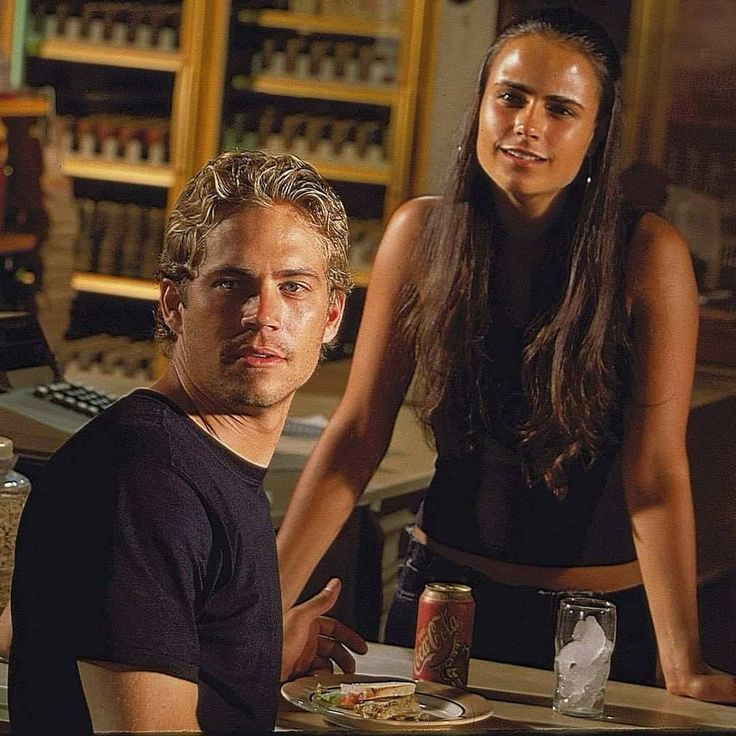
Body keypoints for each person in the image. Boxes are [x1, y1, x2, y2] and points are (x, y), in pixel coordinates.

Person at [277, 8, 736, 703]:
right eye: (511, 97)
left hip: (592, 626)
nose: (528, 124)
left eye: (561, 110)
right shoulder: (420, 233)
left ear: (595, 134)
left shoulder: (648, 256)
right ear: (483, 103)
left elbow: (656, 475)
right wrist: (253, 613)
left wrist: (685, 663)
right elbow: (356, 434)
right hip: (442, 603)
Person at [8, 149, 367, 734]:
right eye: (231, 283)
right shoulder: (144, 479)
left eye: (294, 287)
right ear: (175, 303)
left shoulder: (206, 464)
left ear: (331, 317)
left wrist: (249, 653)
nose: (263, 314)